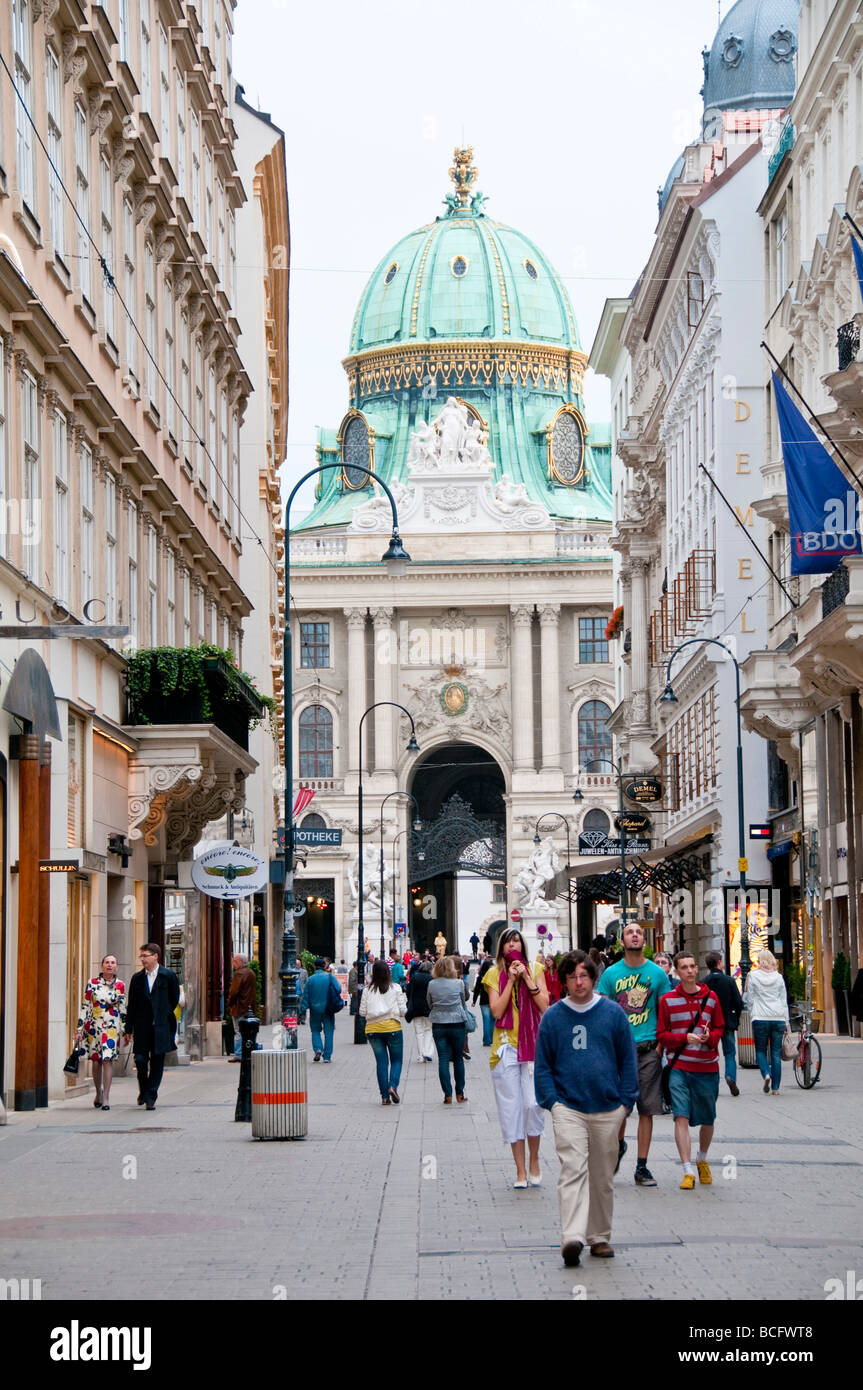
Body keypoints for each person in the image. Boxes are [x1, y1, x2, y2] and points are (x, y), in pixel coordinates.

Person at [535, 951, 638, 1266]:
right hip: (568, 1107)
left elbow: (628, 1059)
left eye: (583, 976)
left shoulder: (612, 1014)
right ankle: (573, 1236)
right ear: (564, 981)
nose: (578, 982)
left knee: (601, 1175)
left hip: (608, 1107)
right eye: (572, 977)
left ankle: (599, 1236)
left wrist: (625, 1101)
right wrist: (552, 1101)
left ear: (593, 978)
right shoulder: (554, 1017)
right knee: (572, 1169)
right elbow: (543, 1066)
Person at [596, 923, 671, 1186]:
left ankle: (642, 1167)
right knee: (618, 1110)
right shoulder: (611, 974)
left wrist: (661, 1047)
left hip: (649, 1050)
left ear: (644, 940)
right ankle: (617, 1147)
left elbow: (665, 1011)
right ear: (622, 941)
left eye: (639, 932)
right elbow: (602, 1013)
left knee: (647, 1110)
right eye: (630, 932)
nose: (635, 935)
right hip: (619, 1052)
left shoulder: (657, 974)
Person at [485, 927, 549, 1187]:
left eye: (517, 941)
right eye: (508, 942)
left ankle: (535, 1160)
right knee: (512, 1110)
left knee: (533, 1105)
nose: (513, 945)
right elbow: (497, 1012)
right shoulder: (493, 973)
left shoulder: (536, 968)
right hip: (505, 1048)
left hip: (533, 1046)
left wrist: (527, 979)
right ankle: (520, 1170)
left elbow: (545, 1006)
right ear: (501, 948)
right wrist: (511, 980)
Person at [657, 951, 725, 1189]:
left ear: (697, 970)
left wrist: (710, 1037)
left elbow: (720, 1027)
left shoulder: (712, 998)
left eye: (692, 966)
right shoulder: (667, 1000)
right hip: (679, 1067)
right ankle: (687, 1169)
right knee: (681, 1115)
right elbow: (662, 1035)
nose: (688, 970)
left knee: (708, 1118)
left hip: (706, 1066)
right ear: (676, 971)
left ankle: (702, 1158)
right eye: (684, 967)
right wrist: (683, 1037)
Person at [123, 943, 181, 1111]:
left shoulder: (168, 976)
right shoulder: (137, 978)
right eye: (141, 956)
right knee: (140, 1060)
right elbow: (131, 1005)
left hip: (161, 1026)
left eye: (145, 956)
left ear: (155, 956)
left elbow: (174, 998)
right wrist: (129, 1029)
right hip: (142, 1026)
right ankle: (144, 1089)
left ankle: (151, 1096)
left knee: (157, 1062)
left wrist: (163, 1013)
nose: (142, 959)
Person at [76, 955, 127, 1110]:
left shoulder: (120, 985)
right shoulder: (92, 983)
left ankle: (106, 1098)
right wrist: (79, 1028)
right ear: (102, 966)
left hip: (111, 1027)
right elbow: (85, 1006)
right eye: (107, 962)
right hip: (94, 1026)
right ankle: (98, 1091)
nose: (109, 965)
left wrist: (126, 1030)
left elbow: (123, 1009)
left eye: (113, 963)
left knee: (107, 1060)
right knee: (96, 1060)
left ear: (116, 966)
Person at [743, 948, 790, 1095]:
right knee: (776, 1053)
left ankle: (766, 1074)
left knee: (761, 1050)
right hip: (778, 1017)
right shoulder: (779, 977)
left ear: (759, 960)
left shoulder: (753, 976)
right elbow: (783, 1000)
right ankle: (775, 1088)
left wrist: (752, 1013)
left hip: (760, 1017)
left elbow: (750, 998)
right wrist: (786, 1021)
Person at [359, 959, 407, 1104]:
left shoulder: (367, 990)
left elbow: (362, 1012)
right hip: (392, 1027)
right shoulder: (396, 988)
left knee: (381, 1063)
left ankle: (384, 1097)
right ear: (388, 972)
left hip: (373, 1029)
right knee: (396, 1060)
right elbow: (404, 1011)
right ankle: (392, 1086)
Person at [427, 956, 468, 1104]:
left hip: (439, 1024)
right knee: (458, 1058)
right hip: (457, 1023)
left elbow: (429, 1003)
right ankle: (460, 1093)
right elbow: (463, 1003)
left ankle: (447, 1095)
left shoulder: (431, 984)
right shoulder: (459, 983)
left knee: (443, 1059)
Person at [703, 951, 744, 1096]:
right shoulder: (729, 981)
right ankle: (730, 1076)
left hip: (710, 1024)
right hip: (727, 1022)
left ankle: (712, 1083)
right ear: (720, 963)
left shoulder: (704, 982)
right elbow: (739, 1003)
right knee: (730, 1053)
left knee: (710, 1054)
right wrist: (735, 1018)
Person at [299, 957, 342, 1063]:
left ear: (314, 967)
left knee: (315, 1031)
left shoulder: (311, 980)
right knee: (329, 1033)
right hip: (328, 1009)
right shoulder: (329, 977)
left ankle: (318, 1049)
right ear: (324, 966)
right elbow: (339, 989)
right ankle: (327, 1056)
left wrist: (303, 1011)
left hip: (314, 1010)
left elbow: (305, 997)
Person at [227, 954, 258, 1062]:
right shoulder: (251, 973)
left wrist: (230, 1003)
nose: (233, 964)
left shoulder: (239, 974)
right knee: (248, 1031)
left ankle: (239, 1054)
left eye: (235, 962)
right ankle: (249, 1050)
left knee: (238, 1031)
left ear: (240, 962)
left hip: (239, 1007)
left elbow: (234, 992)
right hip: (249, 1007)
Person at [406, 956, 434, 1061]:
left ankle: (420, 1055)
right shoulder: (432, 979)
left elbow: (408, 992)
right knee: (428, 1030)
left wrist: (410, 1002)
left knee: (419, 1032)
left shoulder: (415, 977)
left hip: (416, 1008)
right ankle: (427, 1052)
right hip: (428, 1009)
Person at [472, 951, 496, 1046]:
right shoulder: (495, 977)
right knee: (492, 1021)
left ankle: (486, 1041)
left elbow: (477, 990)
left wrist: (474, 1001)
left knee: (486, 1021)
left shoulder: (480, 977)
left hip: (483, 1002)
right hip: (494, 1001)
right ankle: (491, 1039)